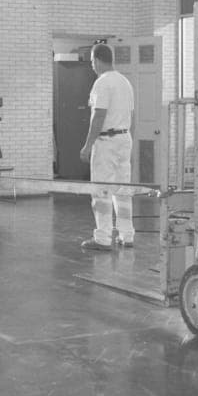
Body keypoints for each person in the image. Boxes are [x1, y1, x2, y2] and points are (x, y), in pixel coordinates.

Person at [79, 43, 136, 251]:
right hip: (124, 138)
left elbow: (99, 115)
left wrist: (88, 145)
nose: (92, 65)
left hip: (106, 142)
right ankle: (126, 234)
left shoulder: (102, 83)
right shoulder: (125, 82)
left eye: (92, 61)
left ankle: (102, 238)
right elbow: (131, 116)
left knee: (101, 191)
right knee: (123, 190)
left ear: (96, 60)